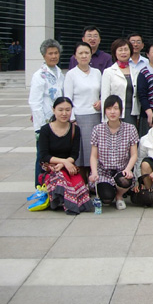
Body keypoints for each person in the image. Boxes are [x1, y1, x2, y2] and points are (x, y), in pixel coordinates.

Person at [38, 97, 93, 214]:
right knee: (61, 179)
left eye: (68, 110)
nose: (64, 113)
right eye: (60, 110)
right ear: (53, 110)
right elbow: (44, 155)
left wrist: (66, 163)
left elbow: (75, 153)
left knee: (81, 192)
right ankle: (59, 200)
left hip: (69, 167)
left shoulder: (75, 129)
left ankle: (64, 200)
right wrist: (64, 162)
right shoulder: (45, 130)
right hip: (51, 167)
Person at [89, 95, 139, 210]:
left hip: (122, 171)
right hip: (103, 172)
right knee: (106, 198)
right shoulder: (97, 129)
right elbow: (93, 156)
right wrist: (94, 172)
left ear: (121, 110)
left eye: (116, 108)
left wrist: (128, 169)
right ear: (104, 111)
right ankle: (110, 192)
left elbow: (134, 154)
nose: (112, 112)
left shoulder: (130, 128)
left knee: (125, 180)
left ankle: (119, 196)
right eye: (109, 108)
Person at [29, 39, 65, 187]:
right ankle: (40, 187)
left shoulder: (59, 73)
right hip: (45, 123)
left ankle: (54, 187)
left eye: (56, 53)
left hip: (59, 121)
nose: (54, 56)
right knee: (43, 157)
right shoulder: (39, 75)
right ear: (44, 55)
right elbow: (35, 102)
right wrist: (39, 127)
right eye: (50, 53)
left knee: (55, 157)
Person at [64, 42, 102, 172]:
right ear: (75, 56)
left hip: (96, 116)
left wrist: (101, 101)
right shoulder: (71, 74)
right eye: (80, 53)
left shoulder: (97, 72)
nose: (84, 56)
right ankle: (82, 180)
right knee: (82, 153)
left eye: (87, 53)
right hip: (79, 117)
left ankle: (95, 177)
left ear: (91, 55)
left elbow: (102, 93)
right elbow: (68, 98)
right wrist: (72, 118)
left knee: (96, 151)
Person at [101, 38, 140, 126]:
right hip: (114, 112)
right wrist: (105, 119)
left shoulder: (135, 71)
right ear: (115, 52)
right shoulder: (109, 72)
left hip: (131, 113)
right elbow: (105, 96)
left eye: (126, 49)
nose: (123, 52)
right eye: (120, 50)